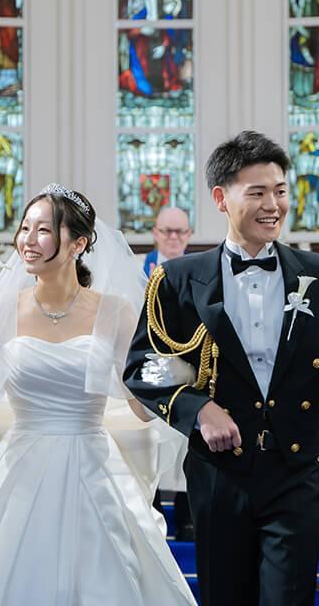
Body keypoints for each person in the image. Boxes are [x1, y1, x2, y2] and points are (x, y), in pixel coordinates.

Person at [124, 131, 319, 606]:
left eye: (280, 191)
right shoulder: (178, 279)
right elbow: (145, 367)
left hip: (295, 471)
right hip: (219, 476)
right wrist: (198, 409)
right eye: (258, 193)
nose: (273, 205)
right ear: (221, 199)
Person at [0, 184, 195, 605]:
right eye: (25, 228)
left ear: (78, 243)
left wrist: (171, 373)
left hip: (94, 464)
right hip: (19, 465)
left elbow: (140, 409)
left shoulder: (115, 311)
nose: (28, 240)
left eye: (43, 230)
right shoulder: (5, 307)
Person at [141, 206, 196, 539]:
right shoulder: (138, 268)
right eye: (167, 231)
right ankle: (154, 509)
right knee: (153, 438)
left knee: (186, 439)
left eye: (180, 231)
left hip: (189, 368)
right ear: (155, 233)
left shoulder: (201, 270)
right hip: (150, 366)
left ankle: (188, 517)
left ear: (189, 235)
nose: (173, 237)